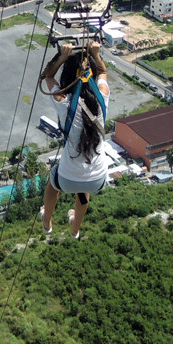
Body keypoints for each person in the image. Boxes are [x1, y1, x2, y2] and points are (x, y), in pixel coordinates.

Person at [40, 40, 109, 239]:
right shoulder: (102, 98)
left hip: (66, 180)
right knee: (85, 181)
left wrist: (62, 56)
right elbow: (103, 73)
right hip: (98, 179)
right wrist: (95, 55)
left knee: (53, 183)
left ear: (68, 78)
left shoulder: (63, 101)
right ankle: (75, 229)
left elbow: (48, 76)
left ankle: (47, 222)